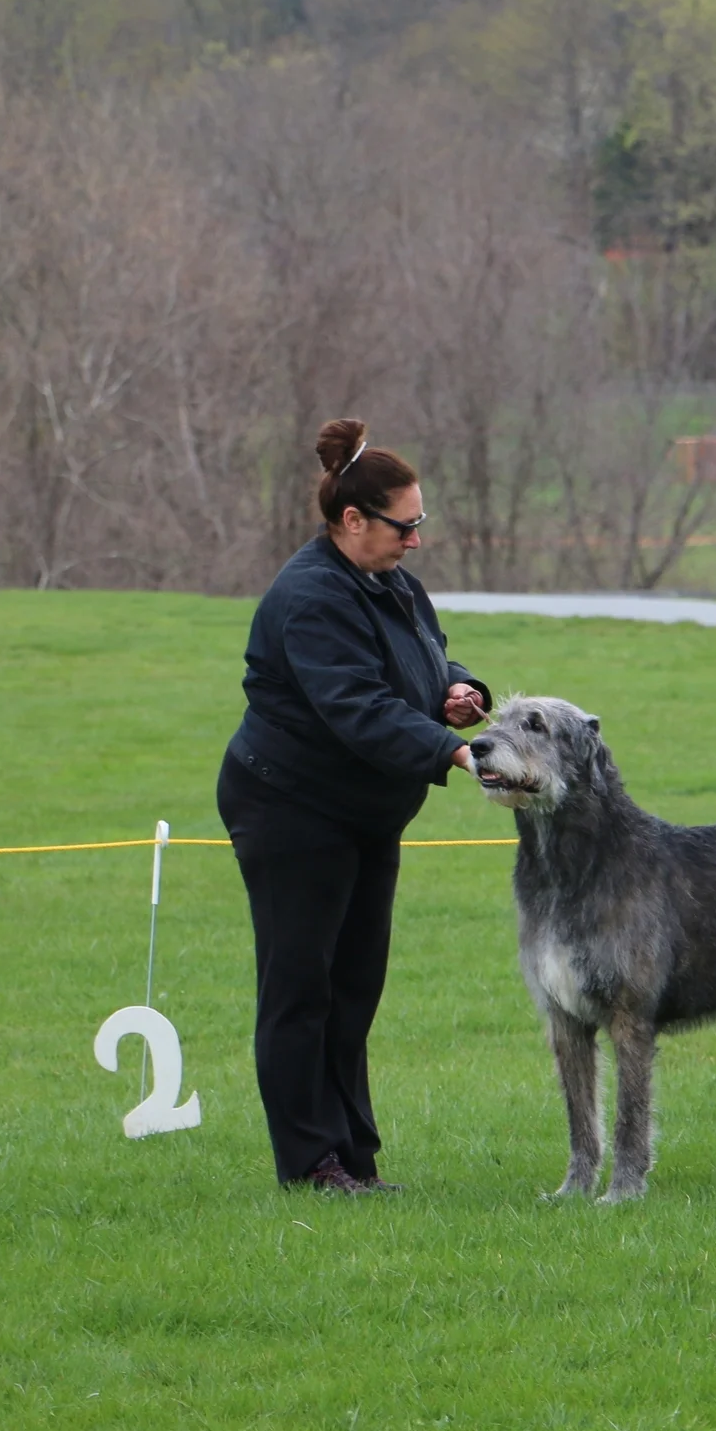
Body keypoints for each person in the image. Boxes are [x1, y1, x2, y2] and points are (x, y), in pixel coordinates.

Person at [216, 418, 490, 1194]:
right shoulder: (308, 597)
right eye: (405, 526)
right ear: (351, 521)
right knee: (302, 988)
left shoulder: (389, 581)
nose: (415, 540)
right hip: (291, 809)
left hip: (364, 812)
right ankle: (310, 1165)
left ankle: (351, 1157)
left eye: (419, 523)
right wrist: (457, 752)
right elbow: (358, 706)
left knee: (353, 987)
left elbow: (420, 658)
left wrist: (456, 690)